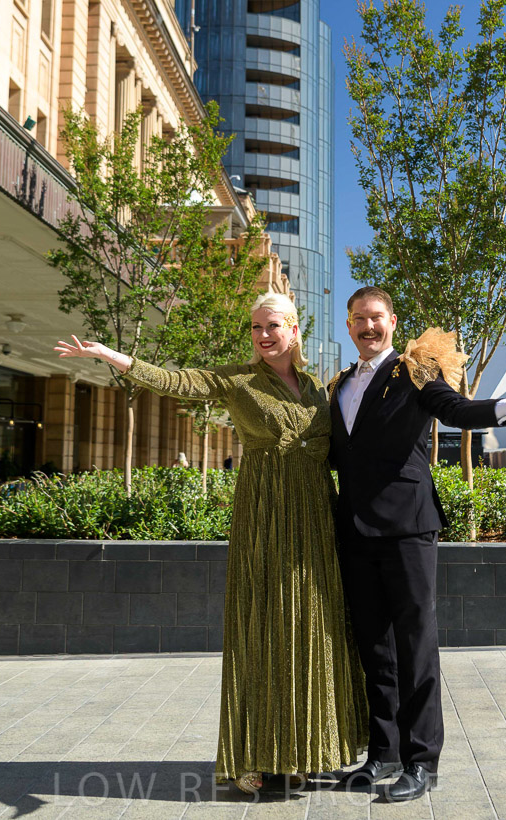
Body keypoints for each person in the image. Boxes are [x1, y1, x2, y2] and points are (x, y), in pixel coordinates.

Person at [55, 292, 367, 794]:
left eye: (272, 326)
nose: (263, 336)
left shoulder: (316, 388)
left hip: (315, 519)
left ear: (293, 329)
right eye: (256, 327)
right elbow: (178, 380)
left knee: (312, 627)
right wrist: (115, 357)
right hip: (265, 517)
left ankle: (304, 750)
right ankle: (252, 756)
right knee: (264, 629)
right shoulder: (238, 380)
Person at [329, 286, 506, 803]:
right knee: (374, 646)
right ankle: (383, 752)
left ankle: (422, 761)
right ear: (349, 324)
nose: (367, 326)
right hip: (355, 530)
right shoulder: (338, 383)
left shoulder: (414, 370)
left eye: (376, 317)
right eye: (358, 318)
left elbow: (454, 409)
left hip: (407, 526)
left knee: (415, 646)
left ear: (392, 321)